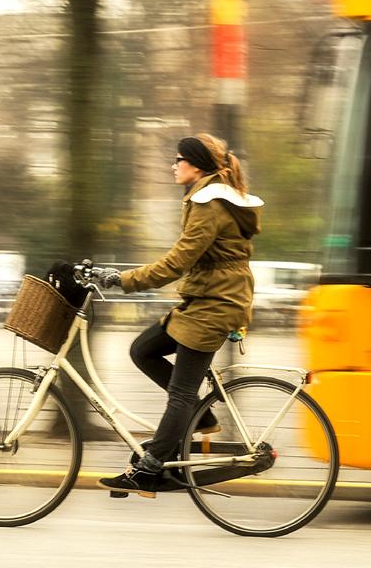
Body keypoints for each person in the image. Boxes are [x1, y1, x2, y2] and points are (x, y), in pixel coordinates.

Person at [93, 133, 263, 497]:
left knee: (181, 392)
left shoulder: (209, 203)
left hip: (216, 305)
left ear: (196, 164)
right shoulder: (208, 197)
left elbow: (177, 262)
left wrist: (121, 280)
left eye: (178, 159)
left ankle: (149, 470)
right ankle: (200, 416)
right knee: (143, 350)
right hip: (205, 299)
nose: (173, 166)